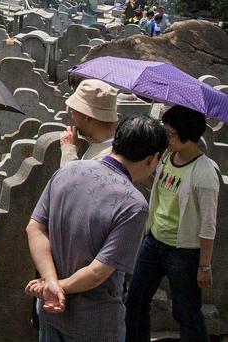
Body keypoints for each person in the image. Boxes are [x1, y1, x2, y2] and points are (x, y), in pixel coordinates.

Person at [25, 115, 169, 342]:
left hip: (50, 310)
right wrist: (56, 287)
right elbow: (97, 273)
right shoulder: (133, 204)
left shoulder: (67, 172)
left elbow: (35, 228)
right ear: (152, 159)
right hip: (95, 322)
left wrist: (50, 283)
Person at [124, 106, 220, 342]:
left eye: (171, 134)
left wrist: (204, 265)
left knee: (186, 313)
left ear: (188, 134)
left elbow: (208, 224)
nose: (167, 138)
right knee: (135, 300)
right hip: (154, 241)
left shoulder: (204, 173)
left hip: (183, 252)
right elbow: (157, 189)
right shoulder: (168, 157)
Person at [60, 79, 119, 166]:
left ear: (86, 115)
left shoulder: (104, 159)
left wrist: (69, 150)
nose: (72, 116)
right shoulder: (107, 143)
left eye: (73, 110)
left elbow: (72, 179)